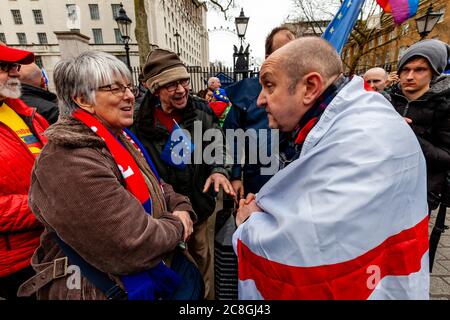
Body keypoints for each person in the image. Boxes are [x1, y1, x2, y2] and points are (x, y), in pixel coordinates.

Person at [233, 37, 429, 300]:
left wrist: (249, 222)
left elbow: (305, 246)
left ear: (310, 87)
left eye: (269, 85)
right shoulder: (354, 119)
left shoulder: (362, 136)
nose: (259, 100)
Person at [17, 51, 203, 300]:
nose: (129, 95)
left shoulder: (118, 137)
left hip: (157, 272)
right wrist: (179, 224)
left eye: (128, 87)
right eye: (115, 88)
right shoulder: (68, 160)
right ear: (83, 99)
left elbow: (158, 186)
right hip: (103, 288)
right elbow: (134, 243)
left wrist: (180, 205)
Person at [132, 48, 235, 300]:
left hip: (199, 209)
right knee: (172, 272)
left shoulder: (201, 110)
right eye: (171, 84)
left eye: (184, 81)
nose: (181, 90)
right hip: (162, 218)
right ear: (155, 88)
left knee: (203, 266)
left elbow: (219, 144)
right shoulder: (137, 120)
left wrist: (220, 169)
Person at [223, 26, 296, 198]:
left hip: (293, 183)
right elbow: (231, 136)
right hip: (257, 182)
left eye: (294, 52)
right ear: (268, 58)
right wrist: (235, 176)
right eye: (284, 51)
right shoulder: (248, 92)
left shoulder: (304, 89)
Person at [0, 44, 48, 299]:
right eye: (4, 68)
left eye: (14, 67)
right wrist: (43, 206)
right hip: (15, 265)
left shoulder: (26, 114)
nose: (14, 73)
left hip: (51, 245)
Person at [389, 39, 450, 213]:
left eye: (420, 70)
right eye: (405, 70)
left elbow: (446, 157)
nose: (409, 76)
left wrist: (409, 135)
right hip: (382, 189)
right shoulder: (386, 100)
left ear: (433, 73)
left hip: (419, 195)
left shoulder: (445, 106)